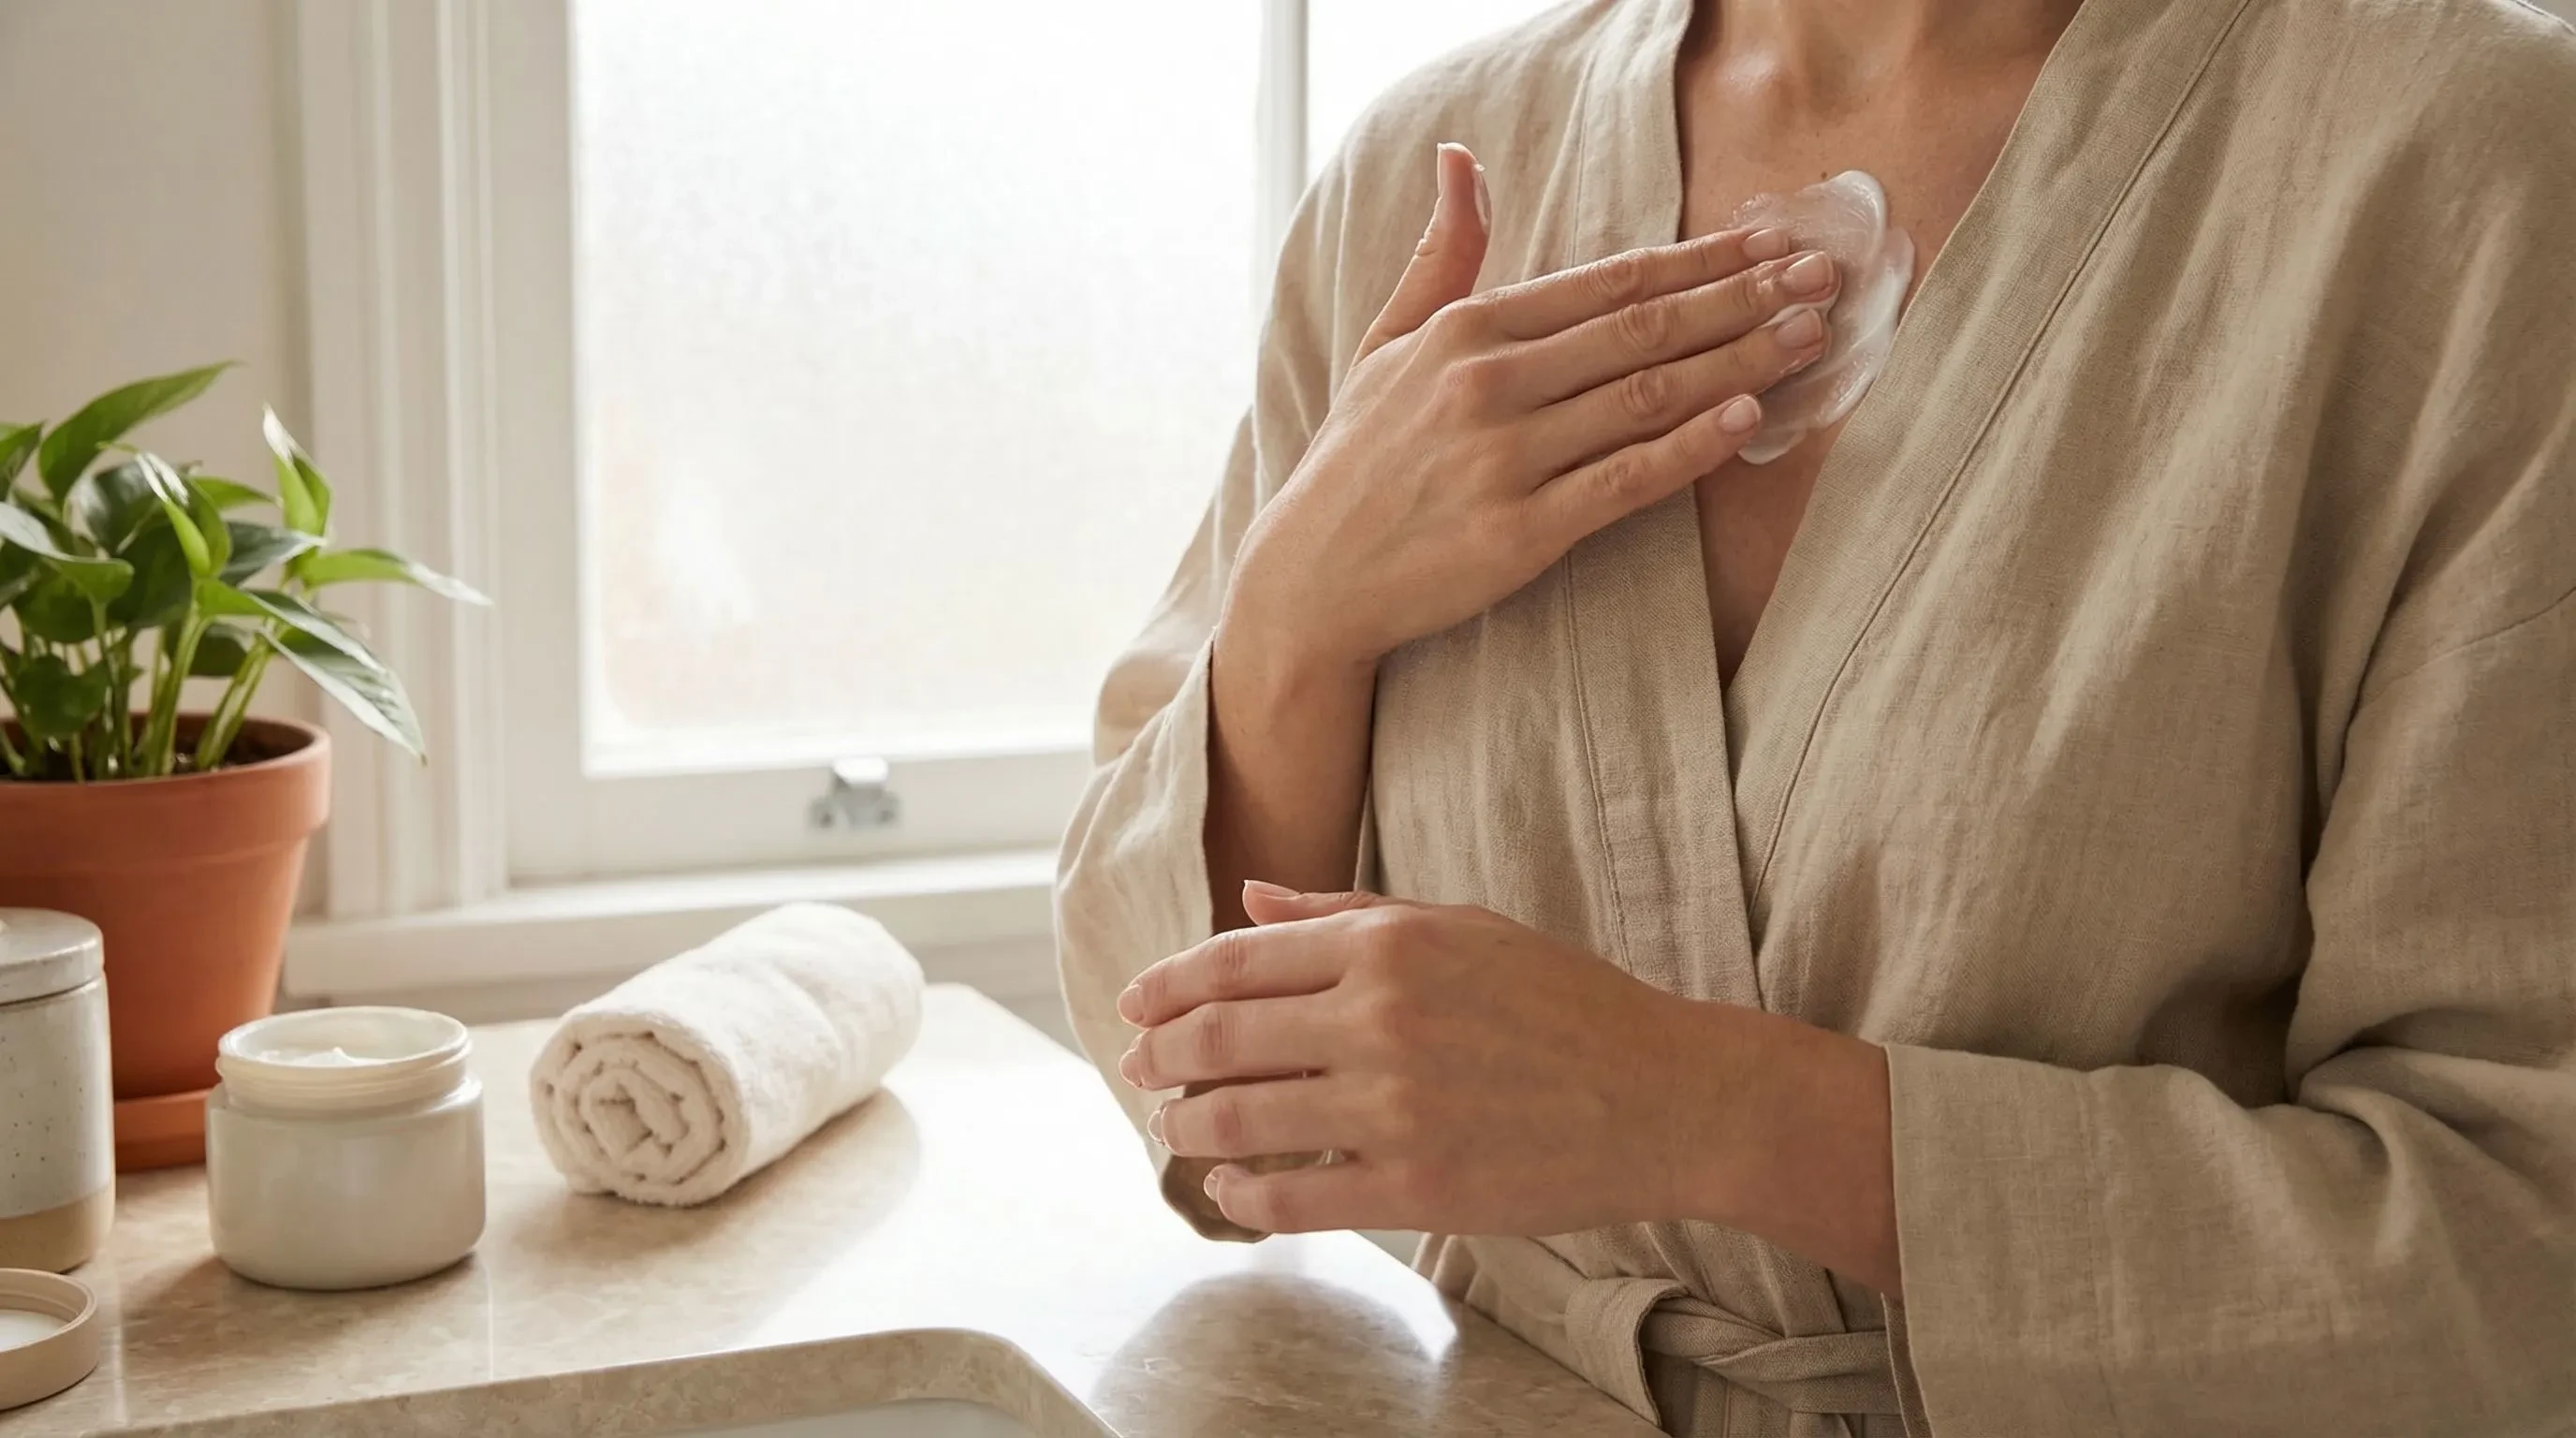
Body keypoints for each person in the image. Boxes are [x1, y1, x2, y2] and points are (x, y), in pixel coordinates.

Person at [1056, 0, 2576, 1432]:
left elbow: (2524, 1252)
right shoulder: (1437, 158)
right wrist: (1292, 628)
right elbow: (1191, 1091)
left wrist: (1706, 1111)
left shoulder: (2472, 168)